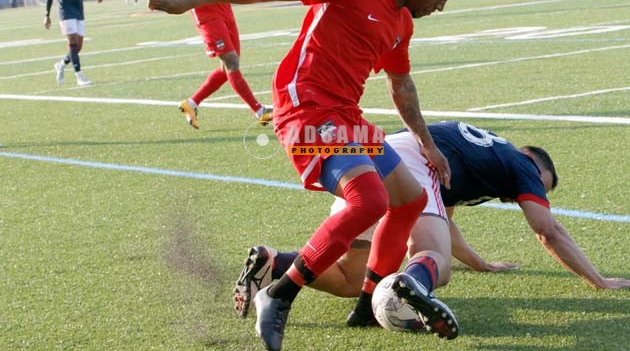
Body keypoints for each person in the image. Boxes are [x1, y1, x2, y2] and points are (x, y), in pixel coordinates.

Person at [150, 0, 467, 349]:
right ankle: (279, 294)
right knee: (369, 201)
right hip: (304, 111)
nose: (440, 6)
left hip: (346, 120)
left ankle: (367, 305)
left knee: (408, 199)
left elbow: (401, 84)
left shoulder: (402, 23)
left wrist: (427, 143)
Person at [234, 121, 630, 319]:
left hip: (376, 157)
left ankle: (275, 264)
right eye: (542, 185)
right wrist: (598, 280)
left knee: (352, 280)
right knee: (435, 264)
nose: (531, 194)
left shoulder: (482, 158)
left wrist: (479, 262)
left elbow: (445, 221)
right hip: (409, 165)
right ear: (532, 162)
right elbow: (548, 230)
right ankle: (404, 291)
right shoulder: (519, 164)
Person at [158, 0, 272, 129]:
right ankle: (260, 111)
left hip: (225, 10)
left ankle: (191, 103)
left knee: (228, 67)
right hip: (205, 14)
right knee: (231, 62)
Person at [45, 0, 103, 86]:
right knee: (72, 43)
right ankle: (79, 76)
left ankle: (61, 65)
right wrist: (47, 15)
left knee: (78, 46)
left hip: (79, 11)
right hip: (65, 12)